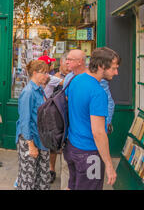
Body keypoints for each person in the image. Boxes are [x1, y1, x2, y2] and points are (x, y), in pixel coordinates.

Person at [63, 47, 120, 190]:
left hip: (72, 147)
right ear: (101, 66)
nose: (116, 72)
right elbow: (98, 132)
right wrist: (109, 165)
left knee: (72, 185)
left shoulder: (75, 80)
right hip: (89, 154)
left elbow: (69, 103)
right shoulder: (98, 92)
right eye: (113, 68)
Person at [15, 59, 50, 190]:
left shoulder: (40, 90)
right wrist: (30, 145)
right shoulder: (28, 92)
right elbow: (25, 121)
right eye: (44, 73)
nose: (47, 76)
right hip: (30, 140)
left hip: (41, 139)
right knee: (28, 179)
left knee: (42, 177)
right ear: (34, 73)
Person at [42, 52, 68, 183]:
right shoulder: (54, 77)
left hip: (66, 113)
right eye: (66, 62)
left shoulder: (54, 76)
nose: (68, 65)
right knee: (53, 141)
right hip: (53, 113)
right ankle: (50, 169)